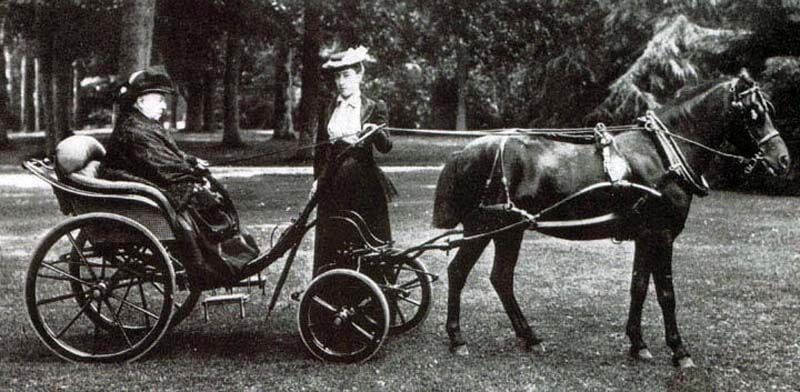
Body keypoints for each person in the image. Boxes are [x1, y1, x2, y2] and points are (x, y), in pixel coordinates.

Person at [100, 66, 258, 289]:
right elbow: (161, 165)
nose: (164, 105)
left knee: (208, 198)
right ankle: (208, 267)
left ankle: (226, 257)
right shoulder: (135, 130)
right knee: (203, 201)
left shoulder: (143, 124)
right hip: (145, 189)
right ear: (141, 101)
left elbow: (168, 156)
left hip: (150, 182)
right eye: (159, 99)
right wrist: (192, 174)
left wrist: (192, 162)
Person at [312, 46, 396, 275]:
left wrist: (375, 131)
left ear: (360, 75)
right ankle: (331, 300)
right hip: (332, 185)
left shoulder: (373, 106)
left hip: (363, 186)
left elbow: (386, 146)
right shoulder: (329, 107)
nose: (341, 82)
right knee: (333, 242)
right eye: (337, 76)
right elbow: (320, 151)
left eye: (347, 75)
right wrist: (317, 180)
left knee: (363, 243)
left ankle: (370, 300)